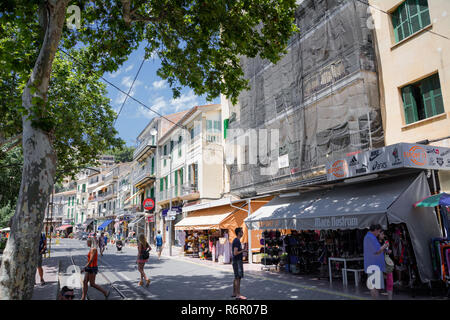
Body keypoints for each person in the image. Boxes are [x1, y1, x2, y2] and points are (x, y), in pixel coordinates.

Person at [364, 224, 389, 299]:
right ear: (375, 230)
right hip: (373, 265)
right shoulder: (370, 237)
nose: (378, 233)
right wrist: (384, 246)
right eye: (378, 231)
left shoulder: (370, 237)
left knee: (375, 286)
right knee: (374, 286)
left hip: (374, 265)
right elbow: (376, 251)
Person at [378, 230, 394, 300]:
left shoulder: (385, 241)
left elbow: (387, 251)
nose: (383, 235)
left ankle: (390, 298)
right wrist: (384, 248)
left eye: (383, 234)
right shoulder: (375, 242)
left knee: (390, 282)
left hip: (386, 262)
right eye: (382, 234)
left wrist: (388, 251)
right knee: (378, 284)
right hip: (378, 264)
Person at [231, 227, 246, 300]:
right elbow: (235, 252)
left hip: (235, 261)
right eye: (241, 232)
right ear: (239, 233)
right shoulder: (237, 241)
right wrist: (243, 251)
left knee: (236, 277)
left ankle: (234, 293)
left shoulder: (236, 240)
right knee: (238, 278)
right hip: (237, 261)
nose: (242, 233)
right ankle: (238, 294)